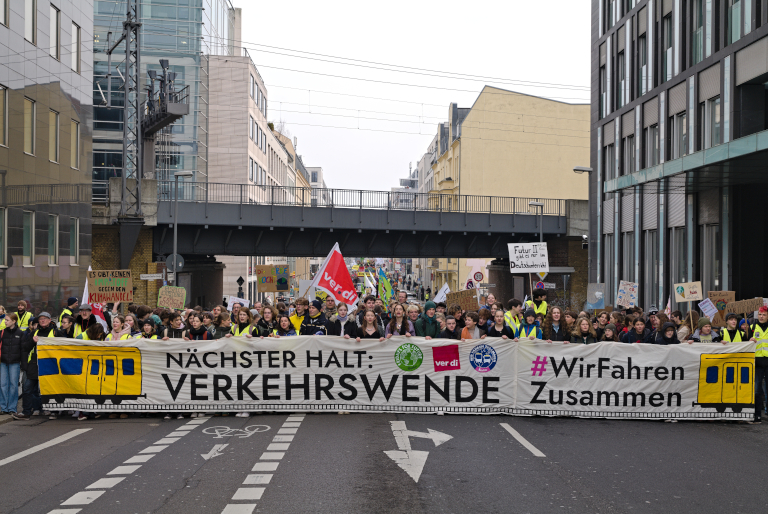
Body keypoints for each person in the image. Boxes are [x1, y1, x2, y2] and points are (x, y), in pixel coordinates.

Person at [15, 313, 57, 420]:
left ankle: (53, 411)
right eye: (40, 319)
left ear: (49, 320)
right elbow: (25, 348)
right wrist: (33, 341)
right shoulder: (35, 332)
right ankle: (26, 412)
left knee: (50, 389)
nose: (42, 320)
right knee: (27, 388)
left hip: (49, 364)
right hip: (34, 364)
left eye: (44, 319)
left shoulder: (56, 332)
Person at [0, 314, 22, 415]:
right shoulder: (2, 333)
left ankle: (12, 408)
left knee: (13, 385)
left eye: (7, 320)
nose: (5, 322)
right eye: (5, 320)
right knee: (3, 385)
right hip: (3, 362)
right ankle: (3, 407)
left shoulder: (20, 333)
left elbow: (23, 349)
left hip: (15, 362)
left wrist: (23, 363)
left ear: (14, 321)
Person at [749, 306, 768, 424]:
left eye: (764, 314)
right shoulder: (752, 327)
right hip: (757, 361)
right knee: (757, 390)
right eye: (760, 314)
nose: (761, 316)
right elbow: (743, 338)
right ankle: (757, 415)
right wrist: (749, 339)